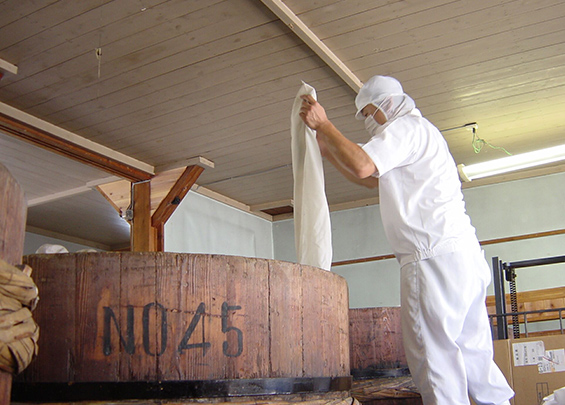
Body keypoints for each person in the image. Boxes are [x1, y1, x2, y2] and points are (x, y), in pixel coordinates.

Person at [299, 75, 514, 405]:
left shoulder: (404, 128)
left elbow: (363, 165)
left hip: (431, 260)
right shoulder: (423, 133)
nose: (369, 122)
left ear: (384, 107)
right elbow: (374, 180)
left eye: (369, 113)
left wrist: (325, 125)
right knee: (474, 354)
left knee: (434, 359)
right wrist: (329, 155)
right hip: (463, 257)